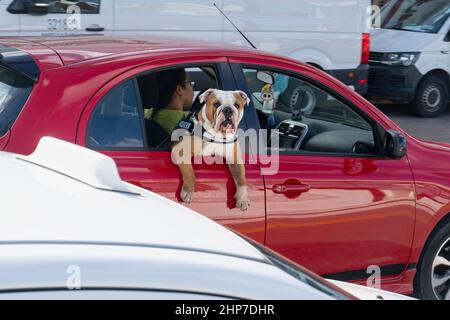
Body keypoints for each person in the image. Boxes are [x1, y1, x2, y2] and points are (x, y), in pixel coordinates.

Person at [148, 68, 195, 135]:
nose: (192, 87)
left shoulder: (146, 116)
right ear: (179, 90)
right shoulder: (190, 121)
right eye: (190, 83)